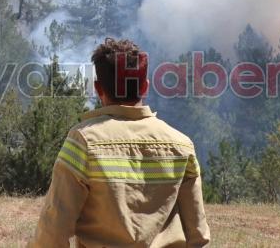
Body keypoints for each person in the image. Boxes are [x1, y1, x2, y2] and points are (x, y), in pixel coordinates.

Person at [30, 37, 211, 247]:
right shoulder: (182, 146)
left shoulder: (83, 141)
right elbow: (198, 236)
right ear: (145, 86)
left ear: (98, 89)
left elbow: (53, 231)